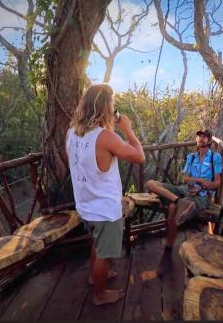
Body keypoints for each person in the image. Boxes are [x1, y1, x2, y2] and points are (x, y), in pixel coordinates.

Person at [66, 84, 145, 305]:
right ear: (105, 107)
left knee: (97, 243)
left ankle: (95, 276)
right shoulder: (106, 137)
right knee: (105, 253)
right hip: (105, 209)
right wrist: (127, 129)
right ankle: (99, 295)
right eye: (112, 103)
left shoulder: (71, 133)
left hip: (85, 205)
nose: (114, 107)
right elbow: (140, 157)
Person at [145, 129, 222, 257]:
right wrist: (199, 180)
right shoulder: (191, 157)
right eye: (199, 137)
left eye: (204, 137)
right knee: (151, 184)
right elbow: (185, 179)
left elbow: (217, 183)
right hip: (184, 190)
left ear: (209, 141)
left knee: (172, 208)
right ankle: (179, 201)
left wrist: (202, 187)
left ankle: (168, 248)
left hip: (202, 196)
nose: (201, 139)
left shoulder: (215, 157)